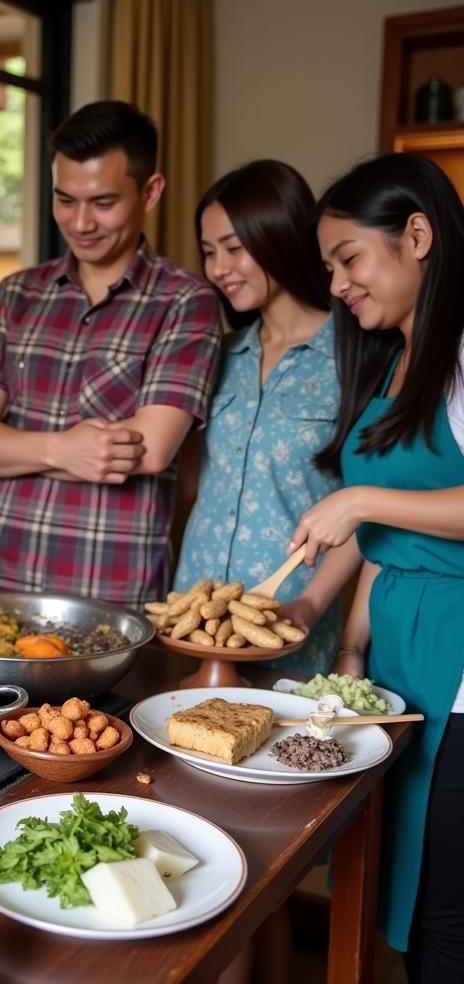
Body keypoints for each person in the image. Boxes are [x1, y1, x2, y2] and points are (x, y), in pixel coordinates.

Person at [290, 153, 464, 982]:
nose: (338, 285)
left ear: (418, 236)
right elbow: (391, 548)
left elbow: (382, 515)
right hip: (401, 652)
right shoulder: (397, 358)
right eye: (328, 269)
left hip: (457, 666)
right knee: (412, 892)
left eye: (348, 258)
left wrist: (358, 502)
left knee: (445, 919)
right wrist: (351, 652)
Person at [0, 100, 220, 604]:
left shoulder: (186, 300)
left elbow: (151, 449)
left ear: (151, 192)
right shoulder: (16, 294)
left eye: (102, 202)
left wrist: (10, 448)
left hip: (112, 598)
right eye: (65, 200)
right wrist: (62, 449)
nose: (80, 223)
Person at [174, 160, 362, 675]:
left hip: (294, 617)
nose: (218, 268)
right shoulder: (216, 354)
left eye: (235, 248)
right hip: (198, 625)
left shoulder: (354, 357)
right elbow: (192, 478)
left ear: (279, 235)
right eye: (209, 252)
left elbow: (366, 510)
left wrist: (312, 604)